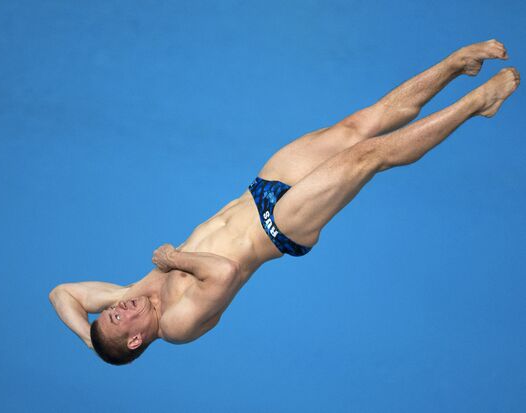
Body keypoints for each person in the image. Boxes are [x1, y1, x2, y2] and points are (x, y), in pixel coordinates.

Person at [49, 39, 519, 365]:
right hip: (280, 227)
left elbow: (62, 293)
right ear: (136, 338)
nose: (118, 305)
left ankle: (456, 65)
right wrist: (175, 259)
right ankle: (476, 103)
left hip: (260, 191)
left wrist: (92, 342)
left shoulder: (133, 296)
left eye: (110, 310)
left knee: (360, 123)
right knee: (368, 156)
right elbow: (225, 272)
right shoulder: (175, 324)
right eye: (117, 318)